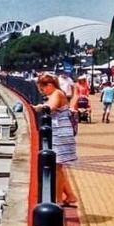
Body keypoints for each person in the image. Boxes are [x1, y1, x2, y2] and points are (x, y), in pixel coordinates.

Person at [35, 72, 79, 206]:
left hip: (61, 133)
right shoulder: (55, 94)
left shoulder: (57, 94)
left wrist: (39, 107)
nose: (43, 92)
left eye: (43, 89)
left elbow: (51, 107)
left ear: (49, 85)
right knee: (57, 167)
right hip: (59, 132)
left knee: (57, 167)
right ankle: (70, 196)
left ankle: (58, 199)